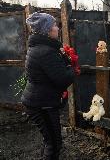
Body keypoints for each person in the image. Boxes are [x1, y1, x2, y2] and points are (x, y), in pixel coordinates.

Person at [21, 12, 75, 160]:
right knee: (54, 143)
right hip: (41, 105)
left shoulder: (39, 47)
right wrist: (72, 66)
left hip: (38, 101)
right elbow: (63, 79)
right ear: (47, 30)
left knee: (49, 140)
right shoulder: (45, 52)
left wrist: (63, 57)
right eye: (54, 25)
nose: (57, 28)